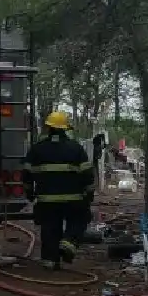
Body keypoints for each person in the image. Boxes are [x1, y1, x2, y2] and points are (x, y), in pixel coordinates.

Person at [23, 111, 94, 269]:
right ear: (65, 129)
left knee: (49, 228)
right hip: (74, 200)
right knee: (80, 220)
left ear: (48, 128)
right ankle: (68, 243)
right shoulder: (76, 148)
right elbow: (87, 174)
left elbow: (27, 174)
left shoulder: (37, 149)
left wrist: (29, 193)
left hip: (46, 201)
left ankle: (50, 261)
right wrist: (89, 194)